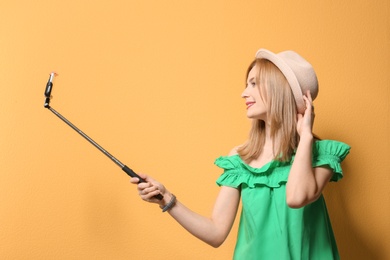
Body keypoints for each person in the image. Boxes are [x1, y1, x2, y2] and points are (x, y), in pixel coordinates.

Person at [130, 48, 350, 260]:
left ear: (279, 89)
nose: (244, 93)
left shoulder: (322, 155)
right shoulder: (240, 159)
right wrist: (166, 198)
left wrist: (306, 137)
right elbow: (216, 232)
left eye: (254, 84)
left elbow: (295, 197)